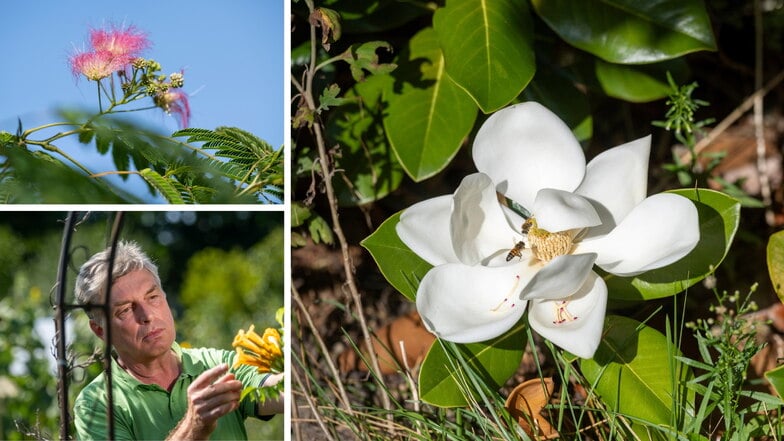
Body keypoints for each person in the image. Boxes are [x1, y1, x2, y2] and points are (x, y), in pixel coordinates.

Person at [73, 241, 283, 440]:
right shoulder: (97, 404)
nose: (147, 315)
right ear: (101, 330)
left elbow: (278, 391)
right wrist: (193, 428)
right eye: (126, 310)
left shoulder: (215, 365)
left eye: (152, 297)